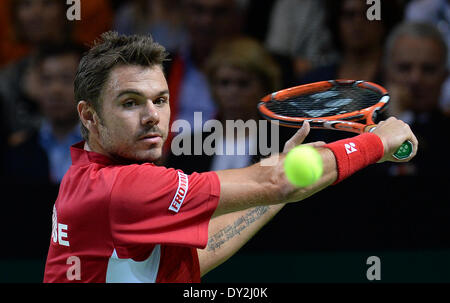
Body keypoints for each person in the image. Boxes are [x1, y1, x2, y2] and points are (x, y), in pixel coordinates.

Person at [43, 31, 417, 282]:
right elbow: (278, 182)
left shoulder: (88, 176)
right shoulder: (124, 188)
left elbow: (190, 260)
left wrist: (278, 190)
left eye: (160, 100)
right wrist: (377, 144)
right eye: (130, 103)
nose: (152, 116)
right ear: (90, 116)